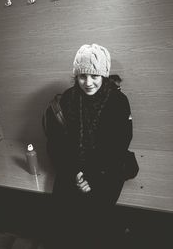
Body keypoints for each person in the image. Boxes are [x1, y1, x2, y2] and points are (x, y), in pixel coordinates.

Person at [43, 44, 133, 249]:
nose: (88, 82)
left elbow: (120, 143)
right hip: (72, 165)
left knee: (95, 213)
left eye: (95, 76)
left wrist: (92, 175)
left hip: (106, 167)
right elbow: (56, 143)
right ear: (76, 77)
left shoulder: (118, 101)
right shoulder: (66, 99)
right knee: (61, 212)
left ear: (104, 75)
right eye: (82, 76)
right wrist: (74, 172)